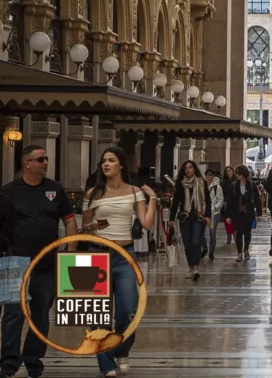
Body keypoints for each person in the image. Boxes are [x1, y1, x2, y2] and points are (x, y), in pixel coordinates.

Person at [1, 146, 77, 378]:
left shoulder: (55, 189)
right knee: (13, 314)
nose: (46, 162)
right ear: (27, 163)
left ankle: (33, 360)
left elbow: (70, 221)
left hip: (47, 264)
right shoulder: (9, 191)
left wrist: (70, 253)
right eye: (41, 159)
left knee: (41, 315)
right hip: (15, 262)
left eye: (46, 159)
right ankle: (8, 363)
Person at [81, 147, 158, 378]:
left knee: (128, 310)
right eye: (103, 161)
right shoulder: (93, 193)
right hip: (97, 255)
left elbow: (146, 224)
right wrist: (93, 226)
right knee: (98, 314)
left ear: (121, 165)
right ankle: (106, 364)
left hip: (124, 256)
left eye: (111, 160)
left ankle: (121, 349)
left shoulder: (134, 192)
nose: (106, 164)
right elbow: (85, 227)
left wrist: (153, 198)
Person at [169, 160, 211, 280]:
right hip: (185, 217)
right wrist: (171, 219)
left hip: (198, 216)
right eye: (186, 168)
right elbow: (175, 202)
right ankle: (191, 267)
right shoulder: (181, 184)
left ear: (194, 169)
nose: (188, 170)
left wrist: (208, 215)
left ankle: (196, 267)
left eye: (190, 167)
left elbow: (207, 200)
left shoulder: (201, 181)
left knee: (195, 241)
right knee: (187, 243)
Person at [225, 165, 262, 261]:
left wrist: (259, 213)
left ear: (243, 174)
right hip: (237, 213)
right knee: (238, 232)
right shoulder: (233, 185)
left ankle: (246, 249)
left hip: (248, 212)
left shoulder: (252, 184)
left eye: (238, 173)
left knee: (247, 233)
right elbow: (229, 201)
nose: (237, 175)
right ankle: (239, 252)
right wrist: (228, 215)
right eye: (236, 173)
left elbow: (257, 199)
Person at [201, 169, 225, 260]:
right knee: (201, 233)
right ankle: (204, 248)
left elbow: (221, 200)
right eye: (206, 174)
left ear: (213, 176)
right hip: (203, 213)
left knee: (212, 233)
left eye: (210, 174)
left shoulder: (217, 187)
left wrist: (214, 207)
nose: (208, 176)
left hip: (214, 213)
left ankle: (211, 251)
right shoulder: (202, 186)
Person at [221, 165, 236, 245]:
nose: (228, 172)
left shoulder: (236, 181)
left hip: (234, 204)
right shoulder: (223, 183)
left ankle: (235, 237)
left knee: (235, 222)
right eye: (227, 171)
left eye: (229, 171)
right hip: (226, 203)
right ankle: (229, 237)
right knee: (227, 222)